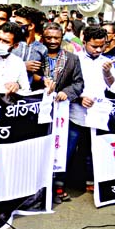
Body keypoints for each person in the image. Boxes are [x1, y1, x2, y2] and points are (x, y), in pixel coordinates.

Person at [71, 26, 115, 191]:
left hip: (97, 114)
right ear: (84, 42)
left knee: (92, 149)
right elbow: (65, 86)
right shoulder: (74, 59)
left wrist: (108, 73)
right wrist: (79, 98)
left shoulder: (106, 61)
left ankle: (90, 181)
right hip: (75, 113)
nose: (98, 50)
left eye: (102, 46)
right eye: (94, 46)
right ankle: (65, 183)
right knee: (71, 148)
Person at [40, 22, 84, 204]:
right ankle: (41, 189)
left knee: (64, 148)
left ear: (61, 38)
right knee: (42, 149)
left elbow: (79, 83)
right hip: (40, 112)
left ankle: (59, 185)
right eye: (48, 37)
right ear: (43, 37)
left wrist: (68, 93)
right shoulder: (37, 56)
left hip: (63, 112)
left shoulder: (72, 59)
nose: (52, 41)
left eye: (56, 38)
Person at [13, 7, 48, 90]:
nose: (15, 26)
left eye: (19, 23)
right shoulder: (10, 43)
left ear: (31, 26)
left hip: (28, 94)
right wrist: (23, 66)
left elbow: (43, 74)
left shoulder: (42, 49)